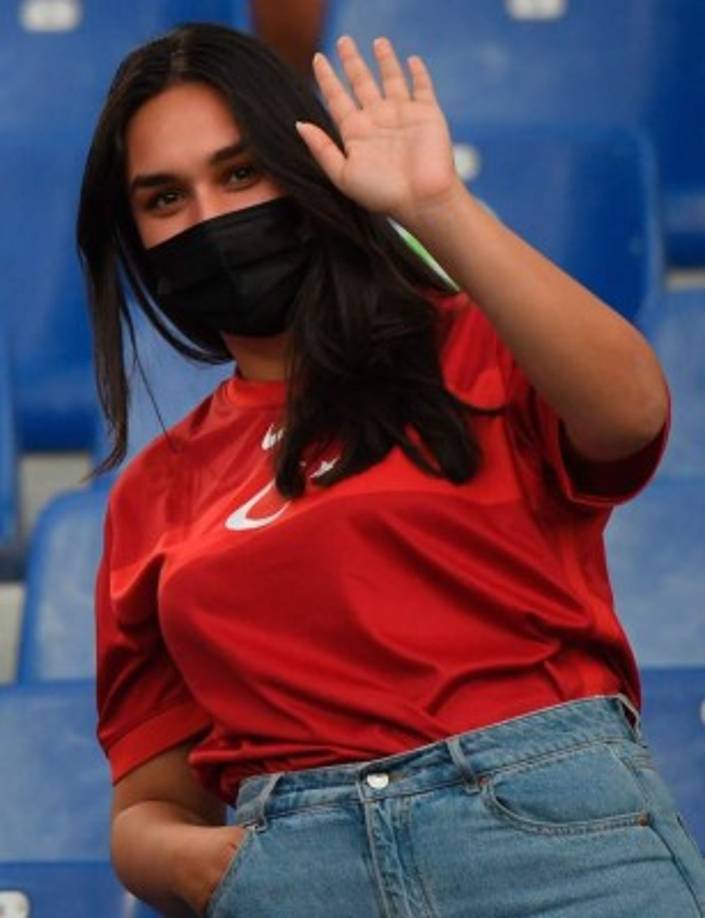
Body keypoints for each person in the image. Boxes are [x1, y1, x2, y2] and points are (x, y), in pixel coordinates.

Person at [77, 21, 705, 918]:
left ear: (310, 174)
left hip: (551, 847)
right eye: (165, 198)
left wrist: (434, 206)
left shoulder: (473, 343)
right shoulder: (149, 498)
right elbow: (149, 807)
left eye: (241, 172)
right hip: (303, 868)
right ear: (131, 236)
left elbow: (630, 411)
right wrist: (219, 870)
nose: (210, 217)